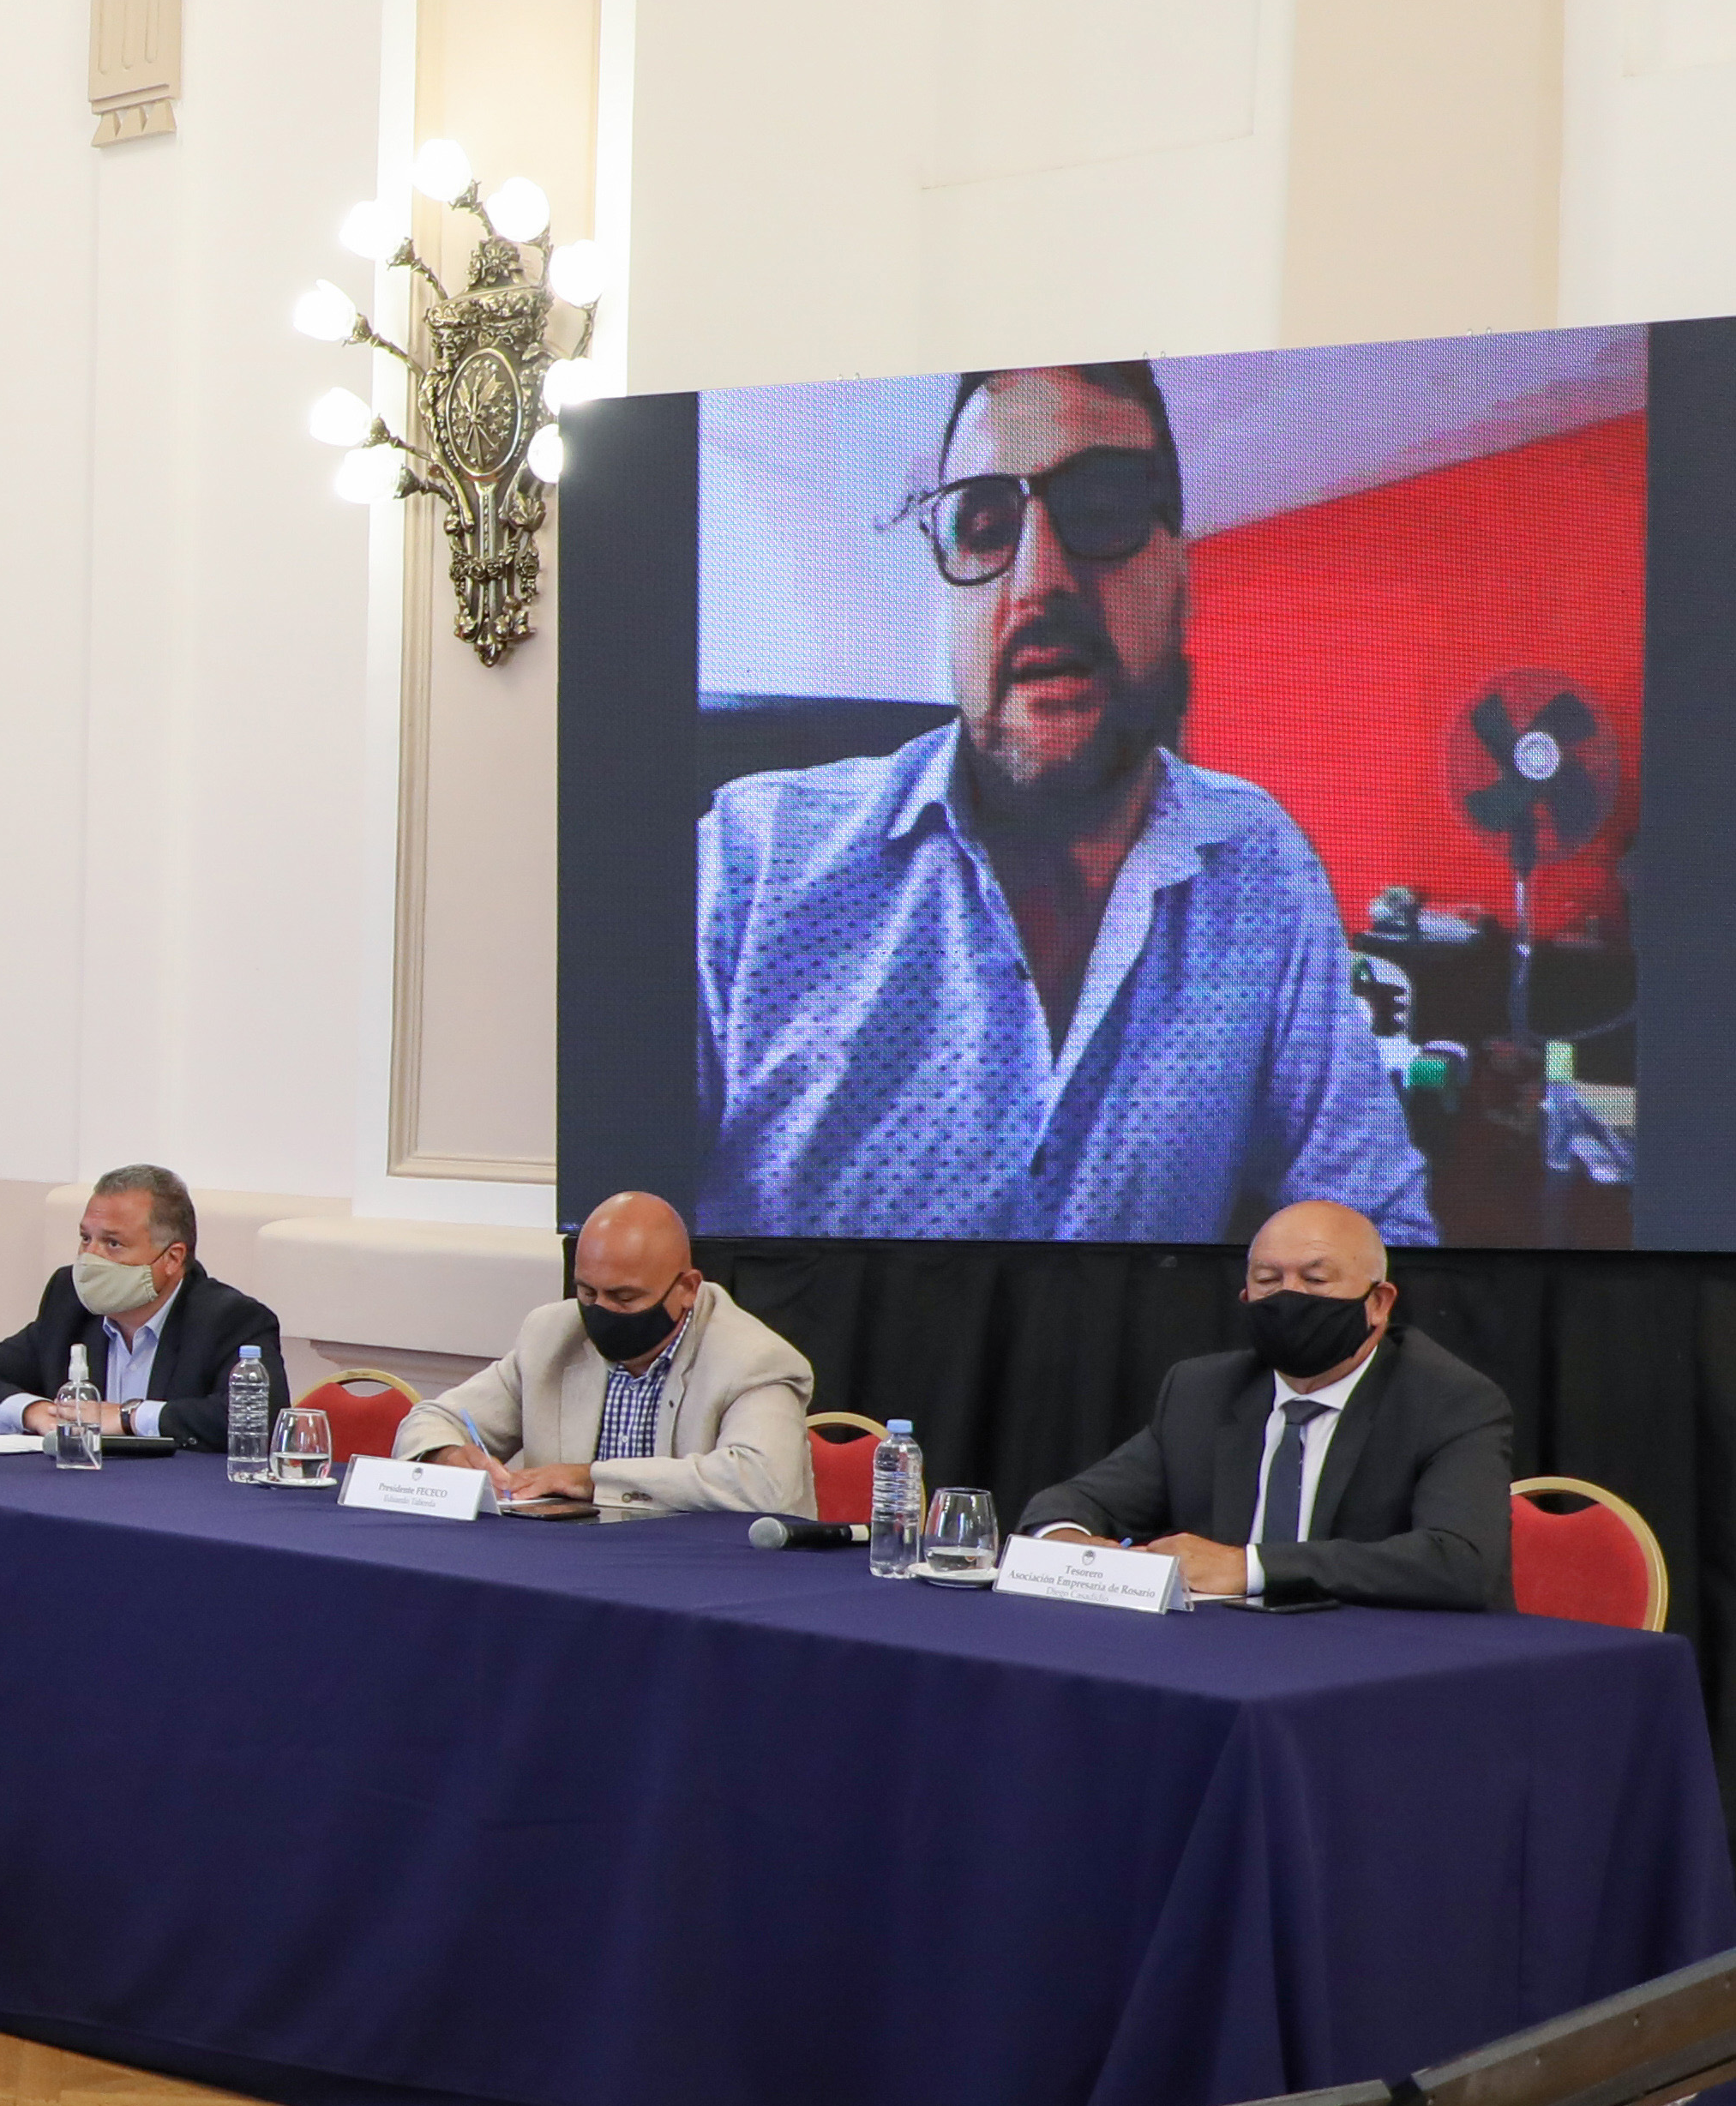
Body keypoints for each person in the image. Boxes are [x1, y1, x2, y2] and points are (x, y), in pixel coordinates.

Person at [694, 361, 1433, 1244]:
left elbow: (1371, 1230)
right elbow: (613, 1242)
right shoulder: (750, 864)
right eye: (983, 524)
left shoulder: (1260, 866)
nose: (1039, 579)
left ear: (1181, 581)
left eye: (1105, 510)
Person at [1018, 1199, 1508, 1610]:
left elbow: (1459, 1562)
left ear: (1378, 1303)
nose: (1289, 1298)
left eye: (1316, 1280)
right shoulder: (1203, 1391)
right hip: (1226, 1654)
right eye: (1269, 1280)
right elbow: (1070, 1503)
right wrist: (1072, 1550)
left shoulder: (1449, 1400)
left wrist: (1249, 1567)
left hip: (1380, 1656)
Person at [397, 1192, 811, 1514]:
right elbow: (431, 1419)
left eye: (624, 1297)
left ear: (686, 1288)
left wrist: (591, 1480)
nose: (602, 1311)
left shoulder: (754, 1359)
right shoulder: (552, 1335)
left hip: (709, 1574)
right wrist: (447, 1456)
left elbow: (761, 1483)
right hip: (569, 1566)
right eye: (587, 1292)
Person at [0, 1165, 285, 1440]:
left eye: (113, 1244)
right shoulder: (69, 1302)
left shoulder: (230, 1319)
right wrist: (34, 1412)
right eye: (85, 1238)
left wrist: (127, 1417)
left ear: (172, 1258)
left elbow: (257, 1420)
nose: (90, 1258)